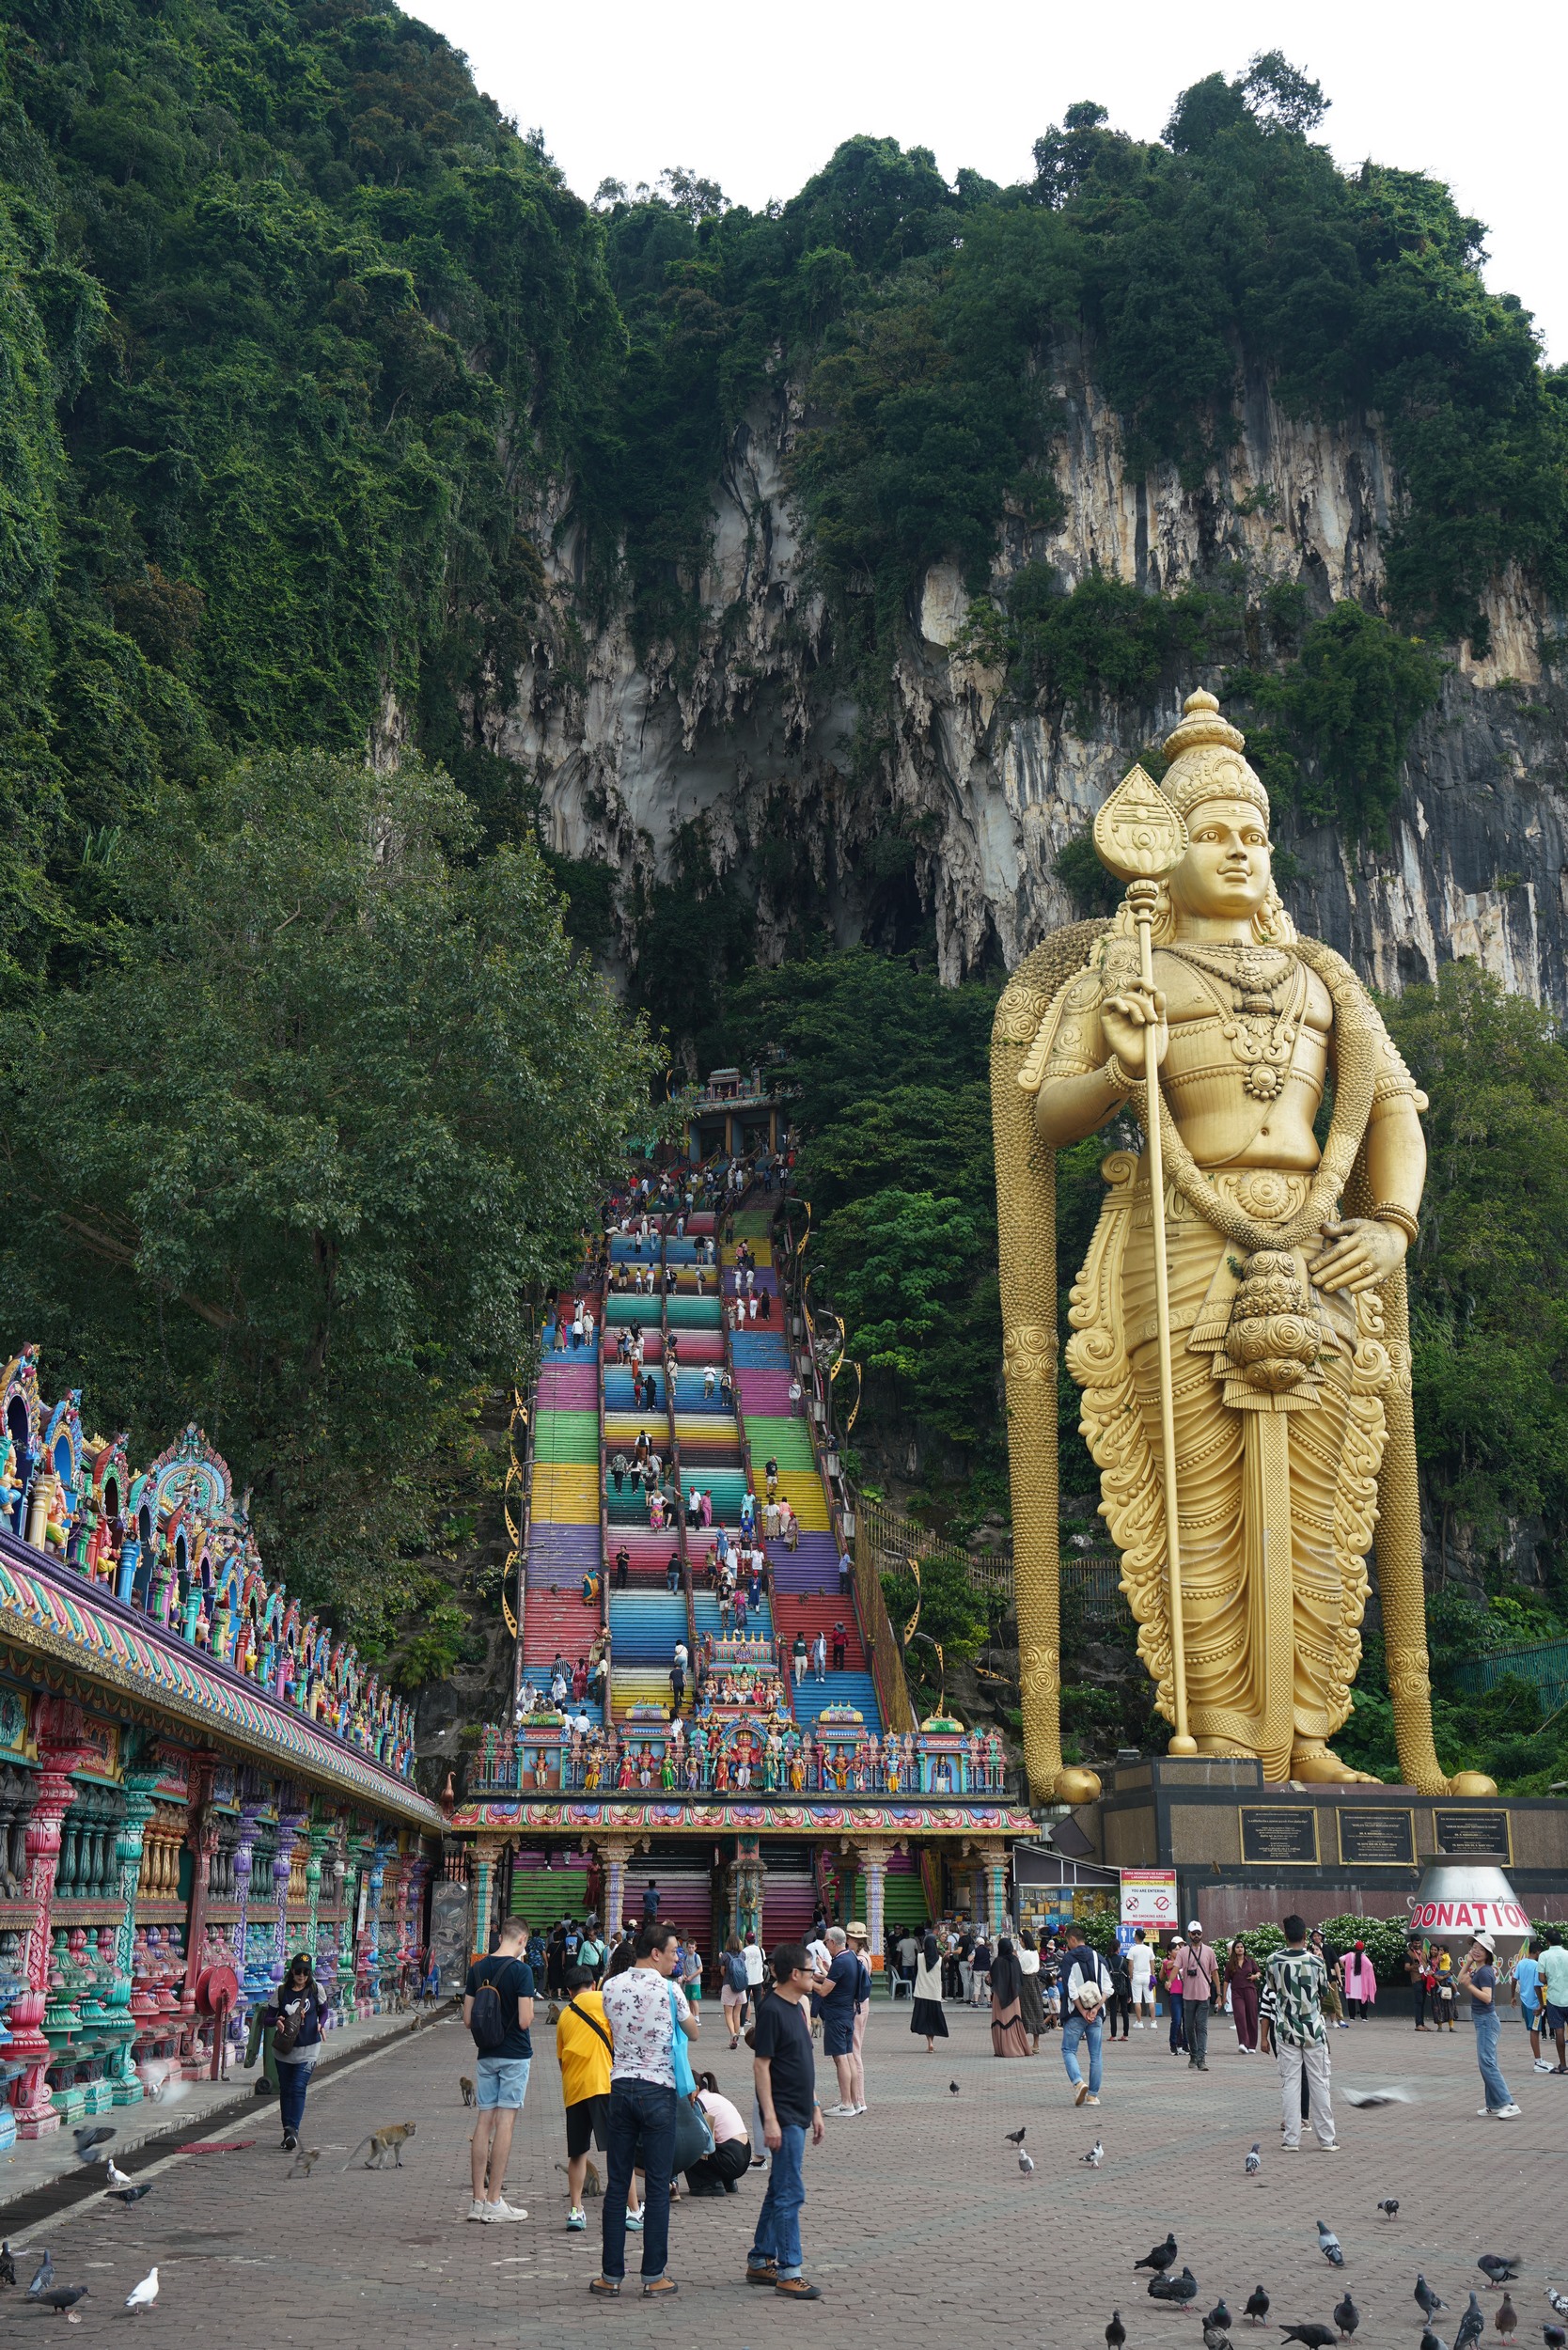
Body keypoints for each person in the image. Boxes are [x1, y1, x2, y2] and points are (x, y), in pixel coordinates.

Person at [592, 1920, 698, 2300]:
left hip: (620, 2087)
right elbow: (693, 2031)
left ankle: (610, 2276)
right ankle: (653, 2276)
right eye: (672, 1953)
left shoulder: (609, 1986)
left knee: (618, 2184)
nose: (676, 1960)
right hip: (658, 2090)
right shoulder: (671, 1990)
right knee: (656, 2185)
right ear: (655, 1954)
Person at [748, 1942, 827, 2298]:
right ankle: (789, 2269)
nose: (816, 1976)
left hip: (800, 2109)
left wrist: (815, 2107)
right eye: (811, 1971)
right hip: (782, 2113)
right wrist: (769, 2118)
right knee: (790, 2193)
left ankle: (760, 2258)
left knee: (779, 2188)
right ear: (795, 1974)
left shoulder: (798, 2007)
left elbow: (802, 2061)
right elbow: (761, 2066)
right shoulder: (772, 2010)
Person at [463, 1915, 534, 2221]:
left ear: (501, 1935)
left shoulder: (477, 1969)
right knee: (506, 2122)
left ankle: (477, 2200)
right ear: (522, 1940)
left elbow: (468, 2020)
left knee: (484, 2121)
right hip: (515, 2054)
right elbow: (525, 2020)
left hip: (486, 2053)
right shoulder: (522, 1971)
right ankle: (494, 2202)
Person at [557, 1963, 637, 2234]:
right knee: (619, 2149)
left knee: (578, 2153)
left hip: (574, 2089)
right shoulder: (606, 2000)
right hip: (604, 2084)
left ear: (569, 1991)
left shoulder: (564, 2016)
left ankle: (576, 2211)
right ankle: (633, 2210)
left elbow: (561, 2060)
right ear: (593, 1984)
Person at [1262, 1913, 1337, 2152]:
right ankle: (1327, 2140)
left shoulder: (1273, 1961)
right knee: (1319, 2083)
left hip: (1286, 2031)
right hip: (1313, 2030)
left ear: (1285, 1935)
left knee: (1290, 2084)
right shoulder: (1317, 1963)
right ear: (1305, 1936)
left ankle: (1291, 2140)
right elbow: (1323, 1994)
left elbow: (1273, 1990)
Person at [261, 1951, 330, 2154]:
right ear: (292, 1971)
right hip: (285, 2050)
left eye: (305, 1972)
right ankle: (287, 2132)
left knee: (299, 2087)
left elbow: (324, 2011)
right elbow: (267, 2018)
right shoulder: (282, 1992)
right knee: (286, 2089)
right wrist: (277, 2021)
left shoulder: (316, 1990)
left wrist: (321, 2024)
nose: (302, 1976)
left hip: (309, 2048)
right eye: (298, 1971)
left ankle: (294, 2130)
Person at [1457, 1932, 1520, 2118]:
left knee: (1487, 2063)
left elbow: (1486, 1997)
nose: (1476, 1951)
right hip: (1484, 2021)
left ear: (1488, 1953)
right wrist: (1468, 1963)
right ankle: (1493, 2105)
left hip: (1487, 2021)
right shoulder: (1479, 1969)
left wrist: (1469, 1986)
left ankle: (1509, 2104)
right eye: (1474, 1947)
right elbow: (1461, 1978)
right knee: (1486, 2063)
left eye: (1481, 1949)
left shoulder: (1485, 1972)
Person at [813, 1926, 861, 2115]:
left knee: (840, 2058)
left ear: (833, 1942)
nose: (826, 1945)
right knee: (848, 2056)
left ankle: (846, 2103)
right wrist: (825, 1972)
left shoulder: (840, 1961)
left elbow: (824, 1991)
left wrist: (809, 1982)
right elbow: (838, 1981)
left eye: (826, 1942)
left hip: (836, 2015)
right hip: (847, 2012)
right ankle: (855, 2101)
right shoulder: (851, 1957)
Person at [1060, 1927, 1111, 2106]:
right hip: (1096, 2014)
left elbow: (1070, 1989)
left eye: (1068, 1941)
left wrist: (1082, 2011)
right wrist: (1095, 2009)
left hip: (1075, 2013)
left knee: (1069, 2050)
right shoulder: (1099, 1958)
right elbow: (1108, 1988)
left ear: (1072, 1939)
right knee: (1096, 2054)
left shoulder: (1069, 1959)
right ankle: (1093, 2096)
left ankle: (1078, 2083)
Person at [685, 2071, 752, 2196]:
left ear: (695, 2089)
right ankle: (727, 2182)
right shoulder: (716, 2097)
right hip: (744, 2154)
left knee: (689, 2143)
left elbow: (700, 2137)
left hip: (730, 2159)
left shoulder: (699, 2103)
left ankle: (708, 2184)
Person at [1179, 1919, 1219, 2072]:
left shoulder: (1209, 1951)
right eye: (1194, 1933)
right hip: (1188, 1996)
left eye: (1199, 1933)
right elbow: (1176, 1967)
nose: (1196, 1935)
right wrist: (1169, 1980)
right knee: (1189, 2027)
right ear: (1189, 1934)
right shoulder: (1183, 1952)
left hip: (1204, 1995)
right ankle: (1193, 2054)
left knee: (1202, 2027)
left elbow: (1215, 1972)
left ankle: (1201, 2059)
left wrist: (1219, 1993)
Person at [844, 1921, 872, 2110]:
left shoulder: (860, 1959)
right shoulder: (863, 1956)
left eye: (849, 1938)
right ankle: (854, 2096)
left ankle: (859, 2098)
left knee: (854, 2052)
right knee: (854, 2050)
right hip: (862, 2005)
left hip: (857, 2006)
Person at [989, 1935, 1031, 2058]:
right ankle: (1018, 2047)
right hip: (1014, 1996)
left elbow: (993, 1979)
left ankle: (1003, 2049)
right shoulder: (1015, 1960)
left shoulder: (998, 1961)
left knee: (1001, 2020)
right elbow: (1020, 1978)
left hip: (1000, 1996)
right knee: (1014, 2019)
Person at [911, 1925, 949, 2051]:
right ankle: (931, 2042)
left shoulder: (919, 1957)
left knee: (925, 2018)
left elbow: (915, 1972)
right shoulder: (940, 1960)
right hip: (934, 1993)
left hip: (921, 1992)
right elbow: (943, 1977)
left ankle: (929, 2042)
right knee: (933, 2019)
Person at [1540, 1930, 1568, 2073]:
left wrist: (1550, 1980)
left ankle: (1563, 2065)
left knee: (1559, 2031)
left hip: (1554, 1998)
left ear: (1548, 1942)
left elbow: (1541, 1978)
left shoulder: (1544, 1955)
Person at [1228, 1938, 1262, 2053]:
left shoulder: (1250, 1961)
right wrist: (1223, 1997)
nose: (1240, 1949)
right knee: (1240, 2016)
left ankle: (1252, 2045)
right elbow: (1226, 1980)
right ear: (1234, 1949)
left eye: (1241, 1947)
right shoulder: (1230, 1963)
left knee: (1251, 2017)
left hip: (1250, 1990)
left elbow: (1259, 1972)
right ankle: (1243, 2043)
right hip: (1237, 1992)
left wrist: (1255, 1976)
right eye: (1237, 1947)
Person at [1017, 1929, 1046, 2052]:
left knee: (1024, 2011)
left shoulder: (1025, 1954)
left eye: (1020, 1939)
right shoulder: (1035, 1953)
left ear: (1024, 1940)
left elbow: (1019, 1968)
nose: (1019, 1941)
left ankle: (1022, 2044)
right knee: (1036, 2010)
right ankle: (1036, 2044)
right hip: (1035, 1981)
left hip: (1025, 1983)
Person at [721, 1935, 749, 2047]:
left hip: (728, 1986)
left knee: (728, 2014)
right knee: (737, 2014)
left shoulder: (725, 1956)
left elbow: (722, 1972)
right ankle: (734, 2041)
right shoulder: (743, 1954)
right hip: (741, 1987)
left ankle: (733, 2034)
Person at [1339, 1940, 1377, 2021]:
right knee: (1362, 1997)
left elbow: (1340, 1959)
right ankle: (1364, 2017)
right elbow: (1370, 1965)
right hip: (1360, 1980)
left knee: (1351, 1998)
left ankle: (1352, 2017)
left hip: (1351, 1980)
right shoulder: (1363, 1957)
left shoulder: (1350, 1955)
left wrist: (1346, 1968)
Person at [1127, 1928, 1155, 2029]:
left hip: (1136, 1977)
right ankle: (1153, 2022)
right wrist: (1152, 1974)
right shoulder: (1149, 1949)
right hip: (1147, 1977)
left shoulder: (1132, 1949)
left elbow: (1130, 1964)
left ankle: (1139, 2022)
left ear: (1136, 1937)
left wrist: (1131, 1975)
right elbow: (1152, 1963)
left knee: (1137, 2000)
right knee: (1150, 1999)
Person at [1162, 1940, 1185, 2055]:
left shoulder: (1183, 1961)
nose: (1179, 1951)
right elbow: (1170, 1966)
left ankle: (1185, 2045)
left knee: (1187, 2021)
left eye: (1179, 1949)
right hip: (1175, 1993)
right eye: (1176, 1949)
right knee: (1176, 2020)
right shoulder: (1167, 1962)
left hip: (1186, 1993)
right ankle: (1173, 2044)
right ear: (1169, 1952)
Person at [1106, 1944, 1133, 2041]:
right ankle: (1125, 2035)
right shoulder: (1122, 1960)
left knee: (1113, 2011)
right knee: (1124, 2011)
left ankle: (1113, 2035)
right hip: (1123, 1988)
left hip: (1111, 1987)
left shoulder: (1107, 1960)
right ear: (1118, 1949)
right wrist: (1129, 1994)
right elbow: (1127, 1978)